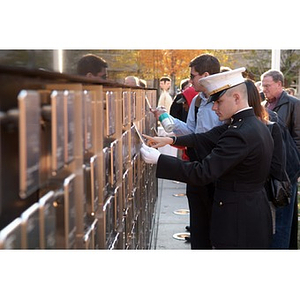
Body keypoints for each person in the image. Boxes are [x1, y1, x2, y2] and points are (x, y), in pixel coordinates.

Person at [141, 67, 273, 249]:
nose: (214, 107)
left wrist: (159, 160)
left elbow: (203, 172)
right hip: (249, 211)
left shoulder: (239, 133)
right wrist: (170, 139)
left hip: (237, 218)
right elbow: (203, 137)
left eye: (218, 101)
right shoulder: (248, 125)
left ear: (236, 98)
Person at [159, 54, 222, 249]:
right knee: (198, 221)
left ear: (205, 75)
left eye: (193, 75)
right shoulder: (196, 100)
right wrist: (164, 118)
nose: (190, 79)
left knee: (215, 224)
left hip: (216, 169)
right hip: (197, 167)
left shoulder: (223, 99)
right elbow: (192, 132)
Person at [261, 69, 300, 249]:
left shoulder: (294, 104)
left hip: (287, 172)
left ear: (279, 84)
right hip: (271, 172)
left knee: (284, 223)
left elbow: (298, 139)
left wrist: (296, 169)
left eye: (267, 85)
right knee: (273, 222)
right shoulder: (263, 105)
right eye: (263, 85)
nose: (264, 89)